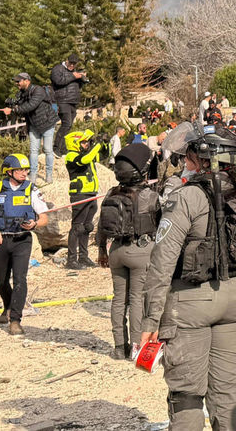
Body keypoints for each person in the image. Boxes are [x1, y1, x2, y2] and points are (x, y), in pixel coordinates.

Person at [140, 124, 236, 431]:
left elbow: (162, 261)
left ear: (203, 160)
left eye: (190, 156)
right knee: (228, 389)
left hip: (189, 303)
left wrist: (151, 320)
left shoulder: (186, 197)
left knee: (186, 393)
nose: (186, 161)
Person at [97, 142, 161, 360]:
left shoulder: (111, 193)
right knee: (137, 300)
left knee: (118, 299)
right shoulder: (150, 196)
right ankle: (136, 348)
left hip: (115, 250)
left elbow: (101, 225)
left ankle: (118, 347)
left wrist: (102, 251)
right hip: (140, 250)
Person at [0, 154, 49, 335]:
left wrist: (34, 224)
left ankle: (15, 320)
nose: (24, 173)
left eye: (26, 170)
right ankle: (8, 306)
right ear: (9, 171)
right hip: (0, 239)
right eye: (20, 170)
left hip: (22, 240)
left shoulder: (31, 189)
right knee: (1, 280)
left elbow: (44, 218)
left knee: (20, 279)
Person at [63, 129, 105, 270]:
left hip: (91, 194)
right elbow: (84, 160)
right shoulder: (71, 155)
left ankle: (83, 256)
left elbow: (103, 155)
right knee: (77, 227)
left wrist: (105, 144)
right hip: (80, 194)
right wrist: (97, 145)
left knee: (87, 226)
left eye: (87, 142)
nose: (87, 144)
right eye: (84, 142)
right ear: (75, 143)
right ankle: (71, 260)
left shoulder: (87, 154)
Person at [12, 72, 58, 185]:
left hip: (47, 123)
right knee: (33, 151)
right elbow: (22, 107)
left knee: (48, 150)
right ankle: (33, 175)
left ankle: (49, 175)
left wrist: (15, 109)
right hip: (34, 125)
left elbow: (31, 105)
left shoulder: (38, 90)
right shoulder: (22, 93)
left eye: (19, 81)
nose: (17, 83)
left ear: (27, 81)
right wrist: (13, 105)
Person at [51, 54, 87, 154]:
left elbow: (77, 86)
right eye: (70, 63)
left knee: (69, 125)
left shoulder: (75, 72)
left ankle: (62, 149)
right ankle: (56, 148)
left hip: (73, 101)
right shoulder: (58, 69)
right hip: (62, 100)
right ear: (67, 60)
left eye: (74, 64)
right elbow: (58, 81)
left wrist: (82, 79)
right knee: (66, 124)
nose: (72, 65)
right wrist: (73, 76)